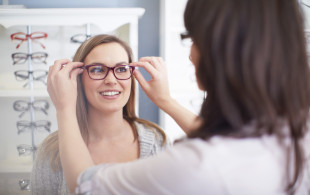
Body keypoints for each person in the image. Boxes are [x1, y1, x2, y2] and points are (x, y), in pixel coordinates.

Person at [47, 0, 310, 194]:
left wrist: (64, 108)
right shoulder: (296, 133)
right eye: (96, 69)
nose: (189, 53)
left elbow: (83, 184)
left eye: (192, 38)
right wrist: (166, 101)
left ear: (218, 50)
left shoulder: (184, 158)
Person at [30, 34, 170, 194]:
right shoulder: (51, 151)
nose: (111, 80)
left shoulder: (159, 142)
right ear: (78, 78)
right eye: (97, 69)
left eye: (122, 69)